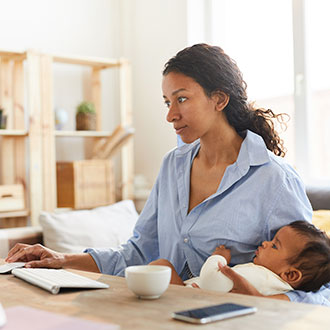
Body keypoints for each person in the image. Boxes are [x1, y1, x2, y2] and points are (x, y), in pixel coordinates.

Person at [7, 44, 327, 305]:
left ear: (219, 99)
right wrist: (62, 259)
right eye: (167, 102)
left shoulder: (273, 179)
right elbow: (139, 252)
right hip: (165, 315)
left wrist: (263, 301)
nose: (171, 114)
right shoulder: (173, 165)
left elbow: (318, 283)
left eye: (182, 99)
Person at [150, 221, 330, 297]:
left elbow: (211, 279)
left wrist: (218, 257)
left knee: (161, 265)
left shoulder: (263, 278)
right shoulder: (271, 281)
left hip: (188, 296)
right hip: (194, 296)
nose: (266, 243)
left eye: (275, 245)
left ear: (290, 274)